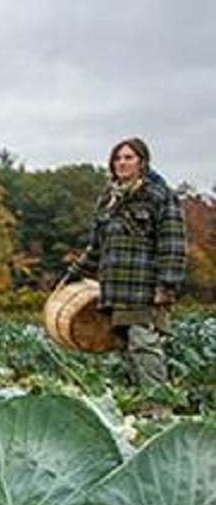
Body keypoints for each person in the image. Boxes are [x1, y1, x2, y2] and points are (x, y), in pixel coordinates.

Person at [62, 137, 186, 389]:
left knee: (144, 344)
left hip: (144, 287)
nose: (122, 162)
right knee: (124, 347)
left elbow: (173, 244)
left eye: (129, 157)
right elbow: (96, 246)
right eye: (118, 158)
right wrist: (73, 274)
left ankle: (159, 407)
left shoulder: (159, 195)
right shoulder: (108, 198)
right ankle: (141, 404)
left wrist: (166, 286)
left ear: (142, 162)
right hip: (114, 288)